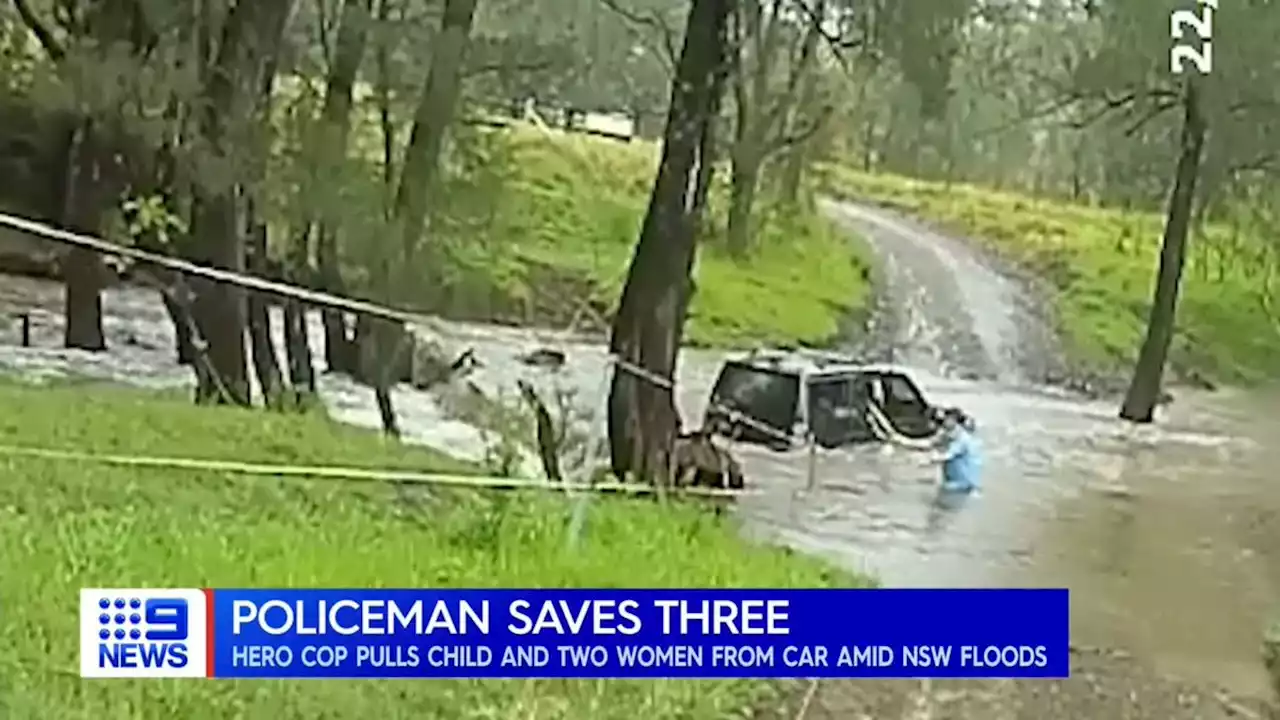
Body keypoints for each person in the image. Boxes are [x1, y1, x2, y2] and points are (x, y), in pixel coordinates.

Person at [934, 409, 982, 496]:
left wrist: (927, 459)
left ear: (953, 420)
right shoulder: (946, 434)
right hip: (952, 482)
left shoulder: (962, 438)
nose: (943, 422)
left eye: (945, 419)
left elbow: (947, 455)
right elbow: (929, 444)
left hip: (965, 485)